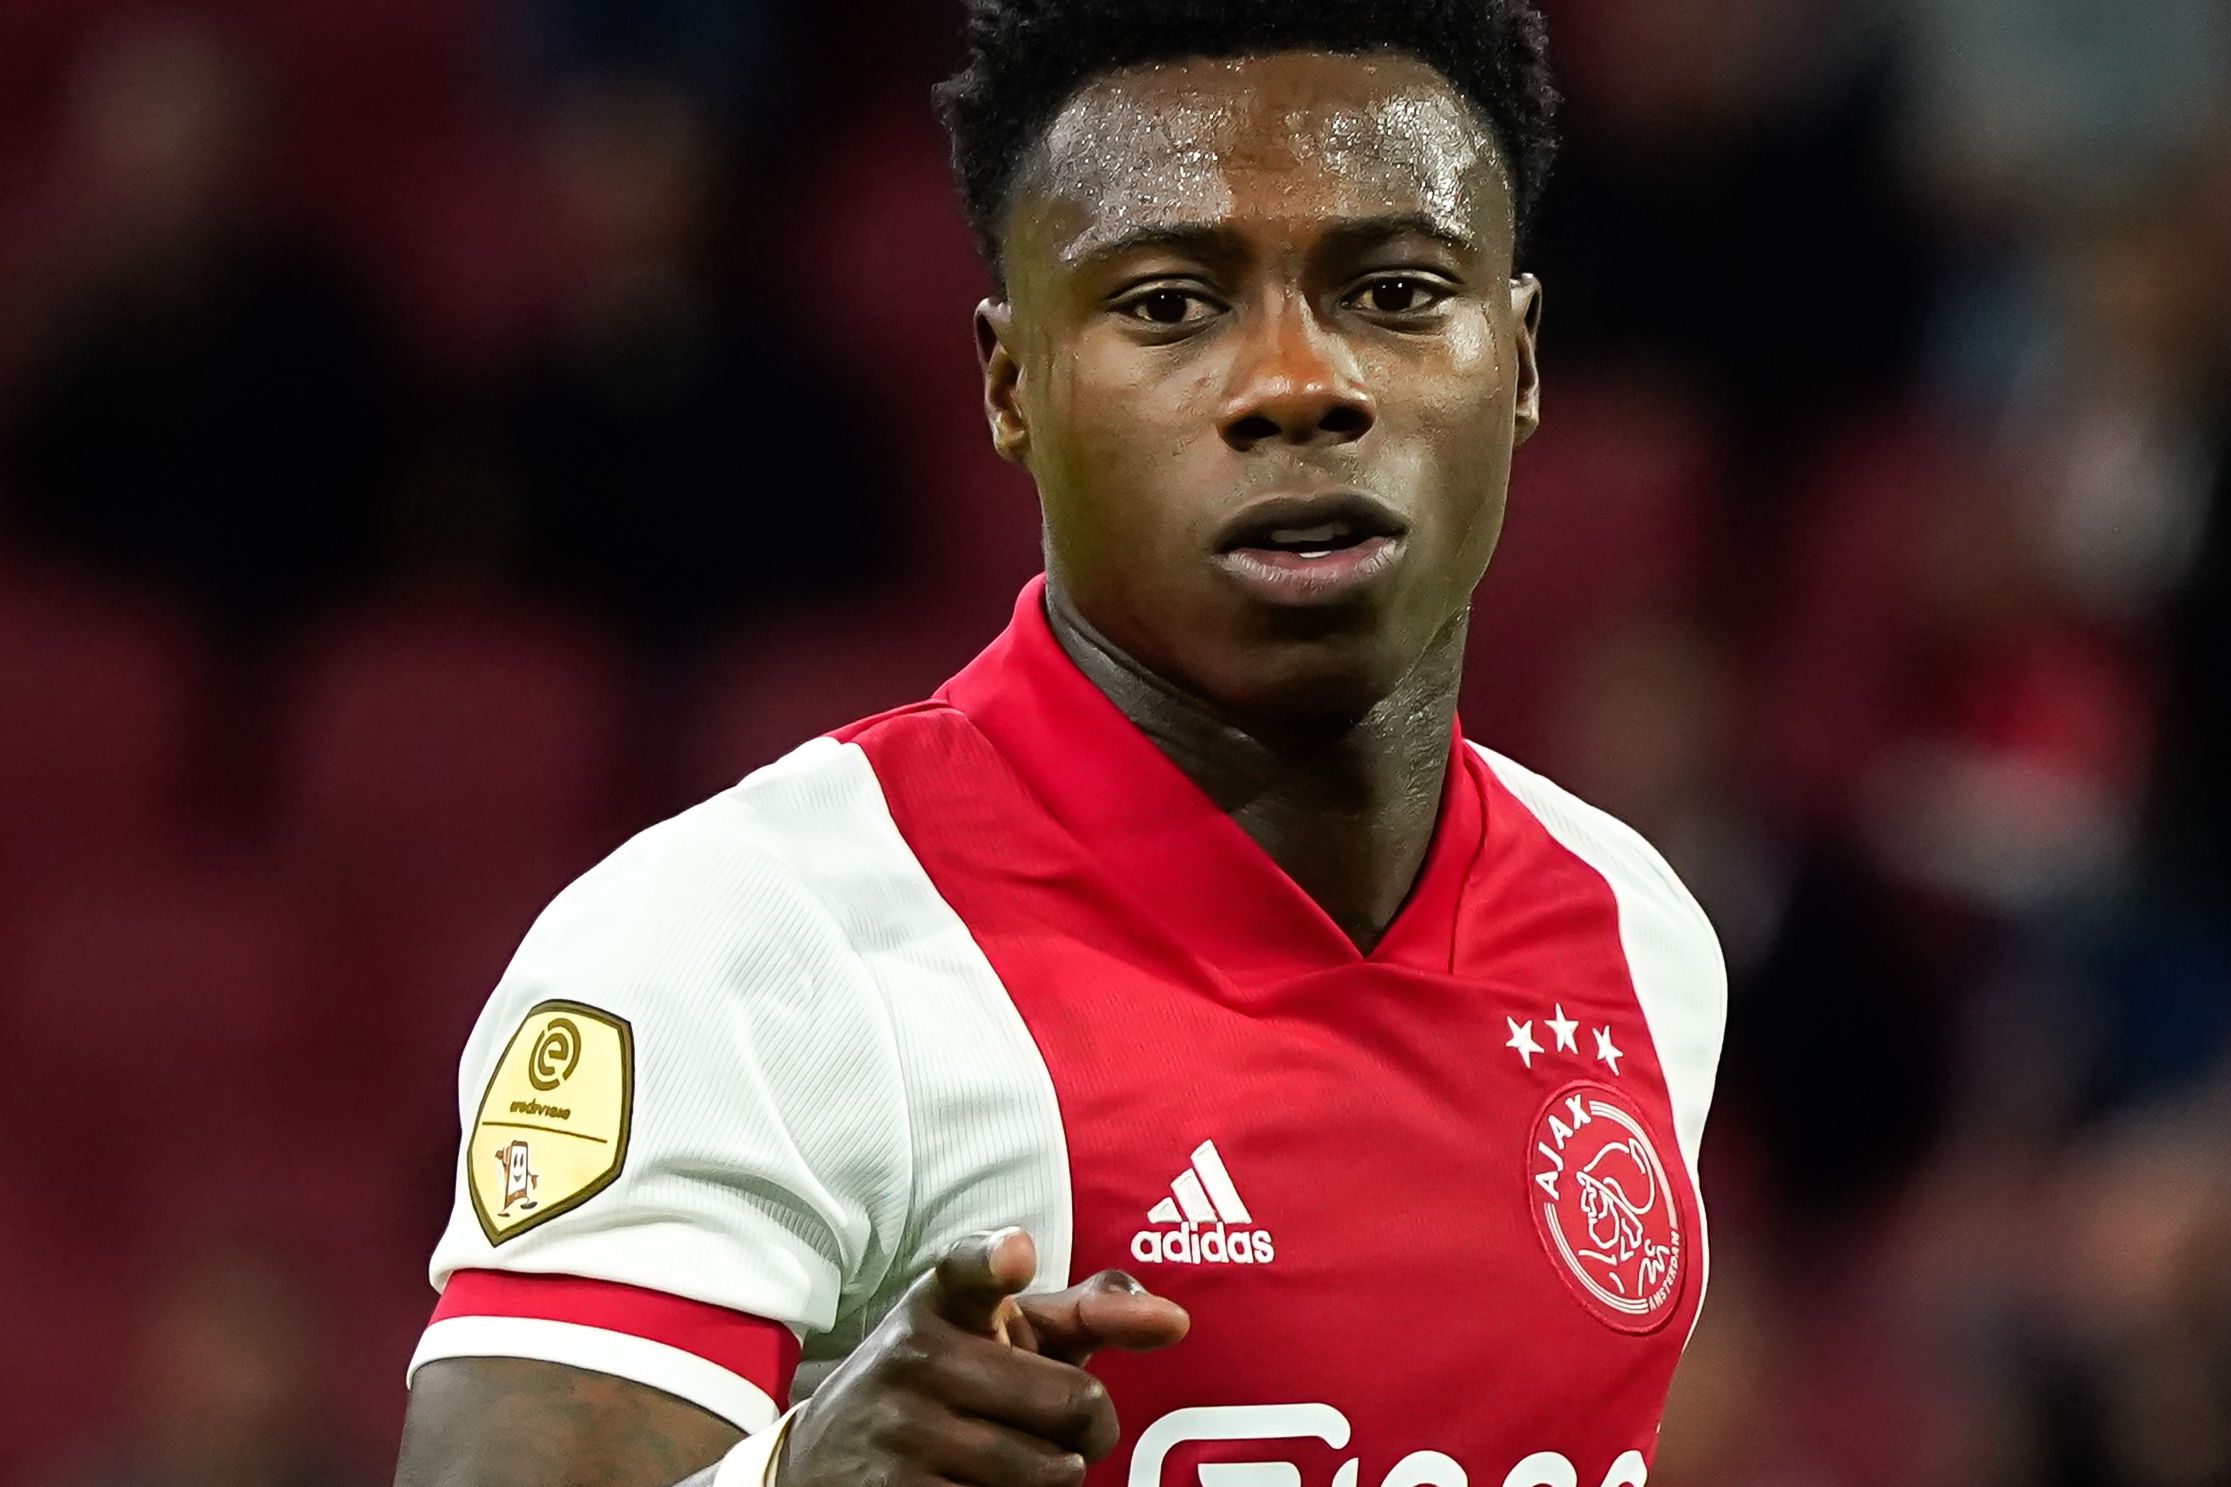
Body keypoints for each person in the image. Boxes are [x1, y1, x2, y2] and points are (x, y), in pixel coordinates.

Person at [392, 3, 1727, 1485]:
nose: (1300, 384)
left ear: (1522, 360)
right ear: (1010, 385)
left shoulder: (1639, 937)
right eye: (1170, 305)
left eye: (1398, 292)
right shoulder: (753, 946)